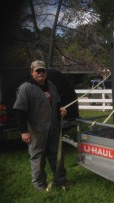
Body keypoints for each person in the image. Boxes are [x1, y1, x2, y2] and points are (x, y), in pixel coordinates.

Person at [13, 60, 71, 191]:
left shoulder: (51, 85)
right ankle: (39, 184)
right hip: (36, 130)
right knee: (38, 157)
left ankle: (60, 180)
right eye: (37, 71)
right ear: (32, 72)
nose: (41, 73)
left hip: (53, 127)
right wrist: (24, 131)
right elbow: (19, 111)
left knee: (57, 155)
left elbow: (55, 105)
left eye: (43, 70)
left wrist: (61, 110)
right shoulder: (26, 88)